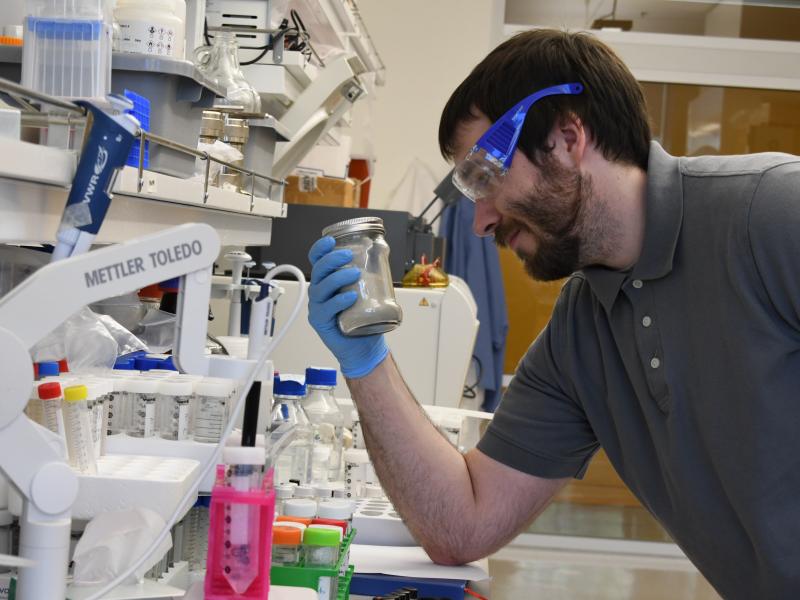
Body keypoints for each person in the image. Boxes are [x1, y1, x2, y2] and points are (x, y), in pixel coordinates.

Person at [306, 29, 800, 599]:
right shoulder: (580, 333)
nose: (480, 222)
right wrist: (366, 359)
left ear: (568, 136)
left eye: (485, 178)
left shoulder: (771, 216)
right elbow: (463, 524)